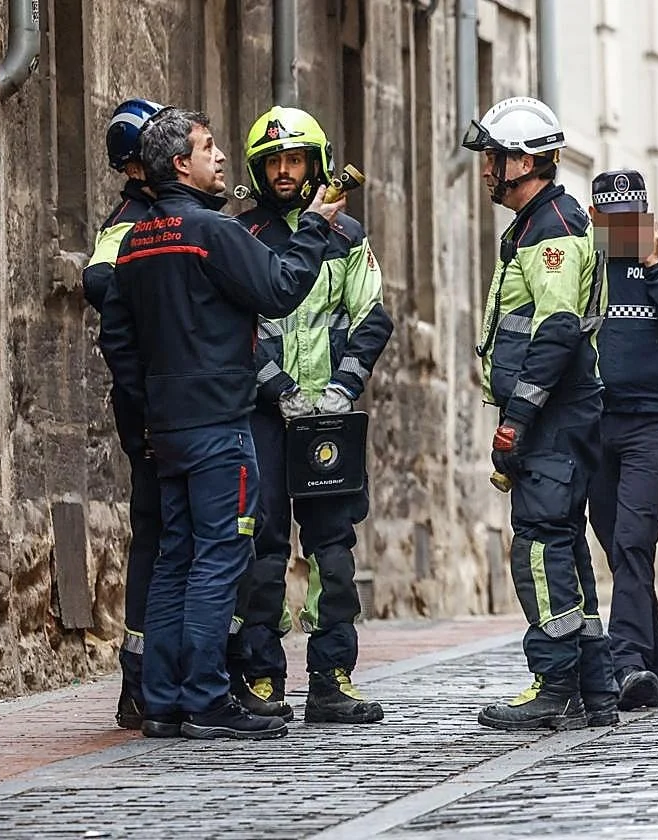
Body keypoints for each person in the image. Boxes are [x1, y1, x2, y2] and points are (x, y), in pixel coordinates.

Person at [98, 108, 346, 740]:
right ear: (181, 162)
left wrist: (146, 415)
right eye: (209, 148)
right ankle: (206, 697)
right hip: (219, 425)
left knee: (175, 558)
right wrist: (316, 225)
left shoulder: (134, 241)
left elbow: (118, 340)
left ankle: (160, 699)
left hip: (167, 427)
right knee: (219, 558)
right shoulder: (211, 231)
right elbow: (283, 287)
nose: (221, 159)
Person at [461, 96, 620, 730]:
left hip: (554, 416)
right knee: (564, 542)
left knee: (539, 543)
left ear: (521, 161)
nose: (485, 172)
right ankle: (594, 687)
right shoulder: (541, 221)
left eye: (493, 159)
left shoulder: (550, 230)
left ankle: (551, 686)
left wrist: (517, 419)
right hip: (563, 413)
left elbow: (553, 331)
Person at [235, 106, 392, 724]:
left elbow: (371, 317)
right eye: (273, 161)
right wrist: (277, 389)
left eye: (294, 159)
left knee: (332, 549)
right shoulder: (242, 239)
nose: (283, 171)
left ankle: (331, 677)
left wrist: (339, 392)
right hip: (268, 418)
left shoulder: (348, 237)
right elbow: (239, 329)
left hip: (329, 419)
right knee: (265, 547)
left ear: (315, 164)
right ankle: (262, 677)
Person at [585, 169, 658, 711]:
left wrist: (655, 265)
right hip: (595, 420)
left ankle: (627, 661)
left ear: (646, 215)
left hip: (654, 422)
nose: (622, 231)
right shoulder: (586, 261)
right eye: (611, 221)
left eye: (631, 220)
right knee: (616, 542)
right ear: (595, 220)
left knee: (634, 540)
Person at [82, 97, 166, 730]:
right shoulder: (133, 218)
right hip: (153, 410)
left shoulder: (163, 214)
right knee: (162, 535)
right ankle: (140, 680)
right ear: (138, 163)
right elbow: (99, 283)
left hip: (171, 404)